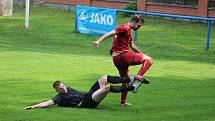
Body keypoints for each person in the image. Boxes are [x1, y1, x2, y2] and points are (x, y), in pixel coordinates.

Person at [93, 14, 153, 106]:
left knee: (125, 79)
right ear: (134, 22)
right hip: (123, 56)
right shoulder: (124, 28)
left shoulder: (128, 30)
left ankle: (123, 101)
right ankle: (137, 78)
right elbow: (110, 33)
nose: (139, 27)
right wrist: (98, 41)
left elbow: (132, 45)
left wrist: (141, 53)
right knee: (149, 60)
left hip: (117, 59)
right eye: (139, 25)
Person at [24, 75, 146, 109]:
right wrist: (33, 106)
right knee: (106, 88)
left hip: (88, 95)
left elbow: (85, 92)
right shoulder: (58, 98)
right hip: (86, 103)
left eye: (63, 86)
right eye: (60, 88)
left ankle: (129, 79)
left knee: (104, 78)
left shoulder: (69, 88)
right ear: (57, 91)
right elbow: (47, 103)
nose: (64, 88)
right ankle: (131, 88)